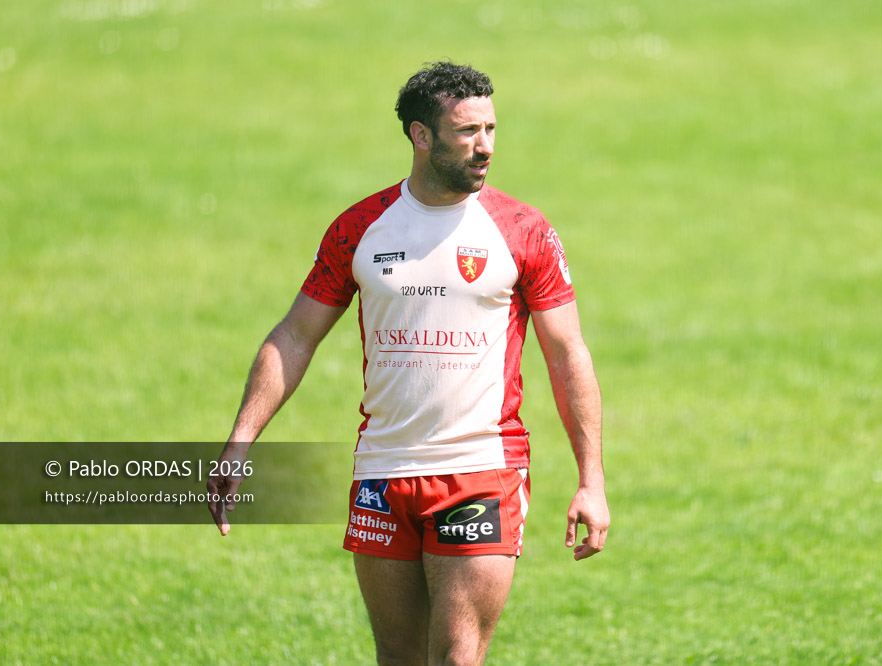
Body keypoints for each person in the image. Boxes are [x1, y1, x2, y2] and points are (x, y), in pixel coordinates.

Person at [208, 61, 609, 666]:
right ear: (422, 136)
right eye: (468, 131)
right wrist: (241, 439)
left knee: (456, 659)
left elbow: (566, 353)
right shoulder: (359, 228)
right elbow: (295, 335)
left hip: (480, 467)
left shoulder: (523, 231)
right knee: (398, 660)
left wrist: (591, 480)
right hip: (382, 470)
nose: (486, 147)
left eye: (492, 129)